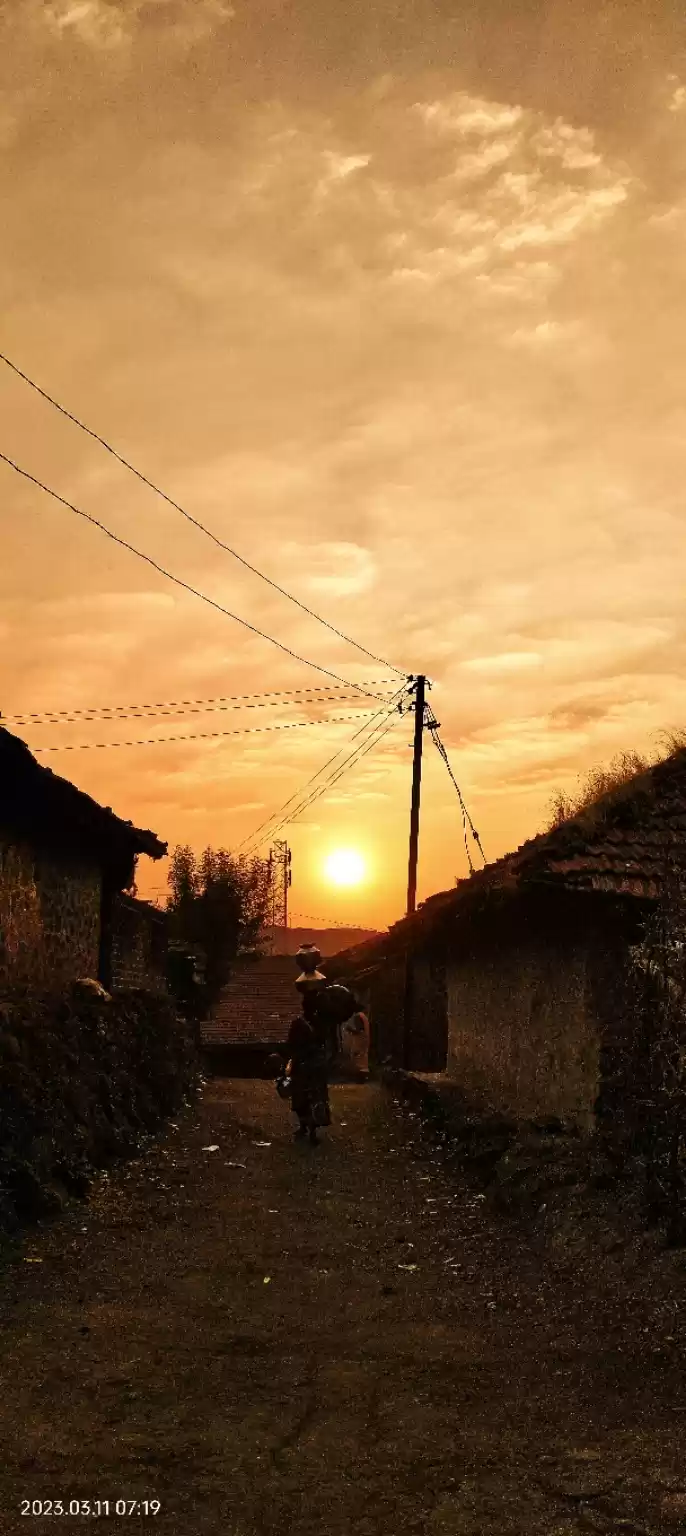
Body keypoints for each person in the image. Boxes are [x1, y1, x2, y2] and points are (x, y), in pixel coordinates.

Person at [284, 992, 331, 1145]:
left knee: (301, 1097)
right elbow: (325, 1043)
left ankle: (304, 1126)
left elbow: (291, 1044)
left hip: (303, 1065)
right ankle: (312, 1130)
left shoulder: (298, 1023)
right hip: (316, 1066)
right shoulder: (321, 1023)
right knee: (316, 1097)